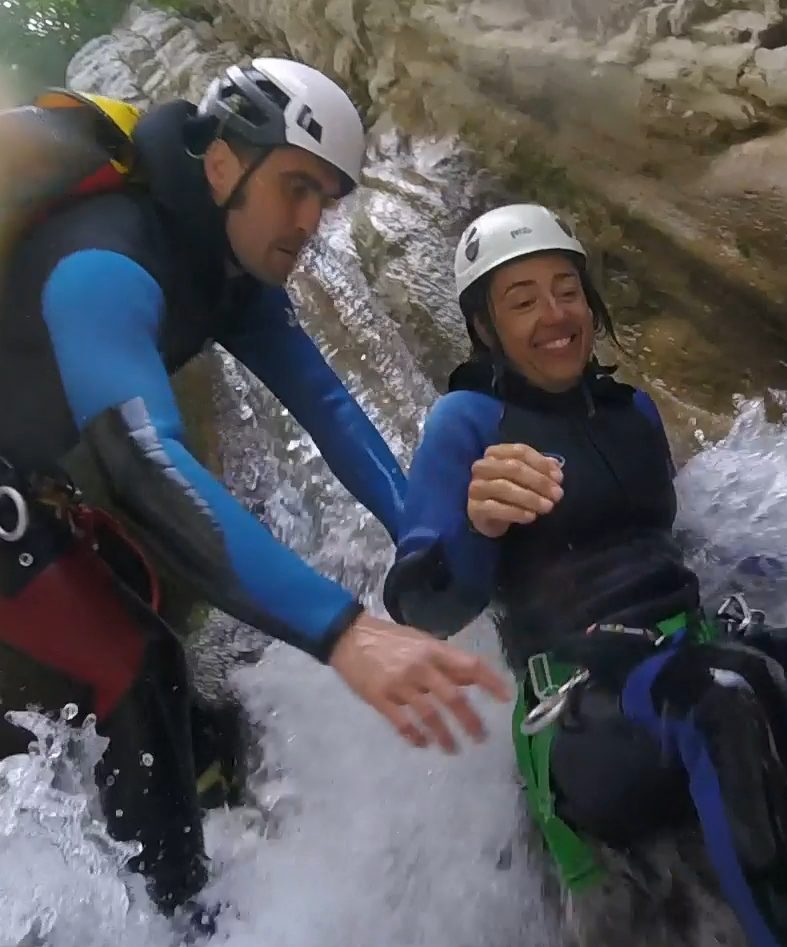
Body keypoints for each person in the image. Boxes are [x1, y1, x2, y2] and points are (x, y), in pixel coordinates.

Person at [383, 202, 787, 947]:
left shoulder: (633, 412)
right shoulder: (466, 421)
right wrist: (477, 523)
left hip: (698, 664)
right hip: (592, 716)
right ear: (486, 329)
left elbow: (669, 547)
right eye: (522, 301)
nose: (555, 314)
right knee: (728, 689)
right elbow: (422, 607)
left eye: (567, 290)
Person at [0, 59, 509, 924]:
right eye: (298, 187)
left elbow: (331, 409)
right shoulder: (107, 261)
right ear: (225, 164)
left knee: (170, 691)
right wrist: (344, 633)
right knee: (134, 659)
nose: (312, 221)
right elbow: (146, 467)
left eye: (329, 199)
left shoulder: (228, 274)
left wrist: (425, 546)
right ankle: (174, 925)